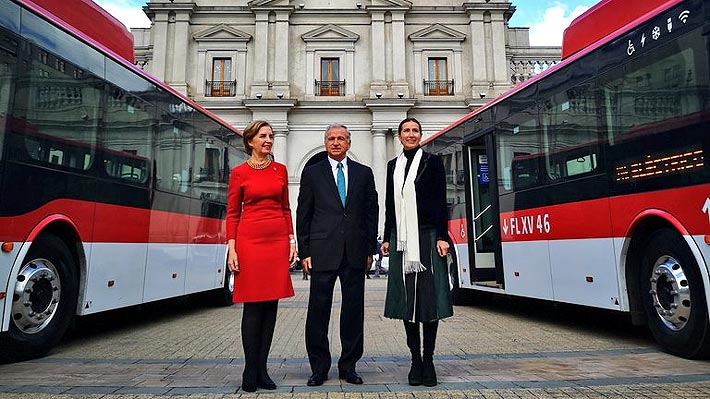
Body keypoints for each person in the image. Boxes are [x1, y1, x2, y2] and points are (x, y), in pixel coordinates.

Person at [296, 123, 378, 386]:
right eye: (331, 138)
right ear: (325, 142)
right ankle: (319, 367)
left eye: (341, 138)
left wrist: (369, 250)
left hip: (355, 253)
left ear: (349, 143)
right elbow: (303, 215)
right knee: (318, 311)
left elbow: (371, 213)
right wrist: (305, 251)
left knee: (353, 311)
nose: (336, 142)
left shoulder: (364, 173)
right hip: (322, 252)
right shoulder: (312, 173)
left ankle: (349, 365)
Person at [381, 117, 453, 387]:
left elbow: (441, 201)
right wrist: (387, 236)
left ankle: (429, 359)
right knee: (408, 302)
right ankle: (415, 360)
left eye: (415, 131)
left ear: (420, 135)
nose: (410, 135)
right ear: (399, 136)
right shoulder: (393, 167)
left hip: (428, 236)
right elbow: (391, 202)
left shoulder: (432, 163)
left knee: (429, 300)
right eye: (406, 131)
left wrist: (443, 236)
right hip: (402, 240)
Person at [226, 120, 296, 392]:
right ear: (250, 141)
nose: (268, 140)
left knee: (270, 307)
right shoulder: (239, 173)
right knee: (253, 307)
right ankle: (249, 368)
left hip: (276, 241)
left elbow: (286, 209)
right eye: (263, 136)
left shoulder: (280, 170)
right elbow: (232, 213)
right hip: (249, 242)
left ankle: (263, 369)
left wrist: (291, 241)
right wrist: (232, 247)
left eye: (271, 136)